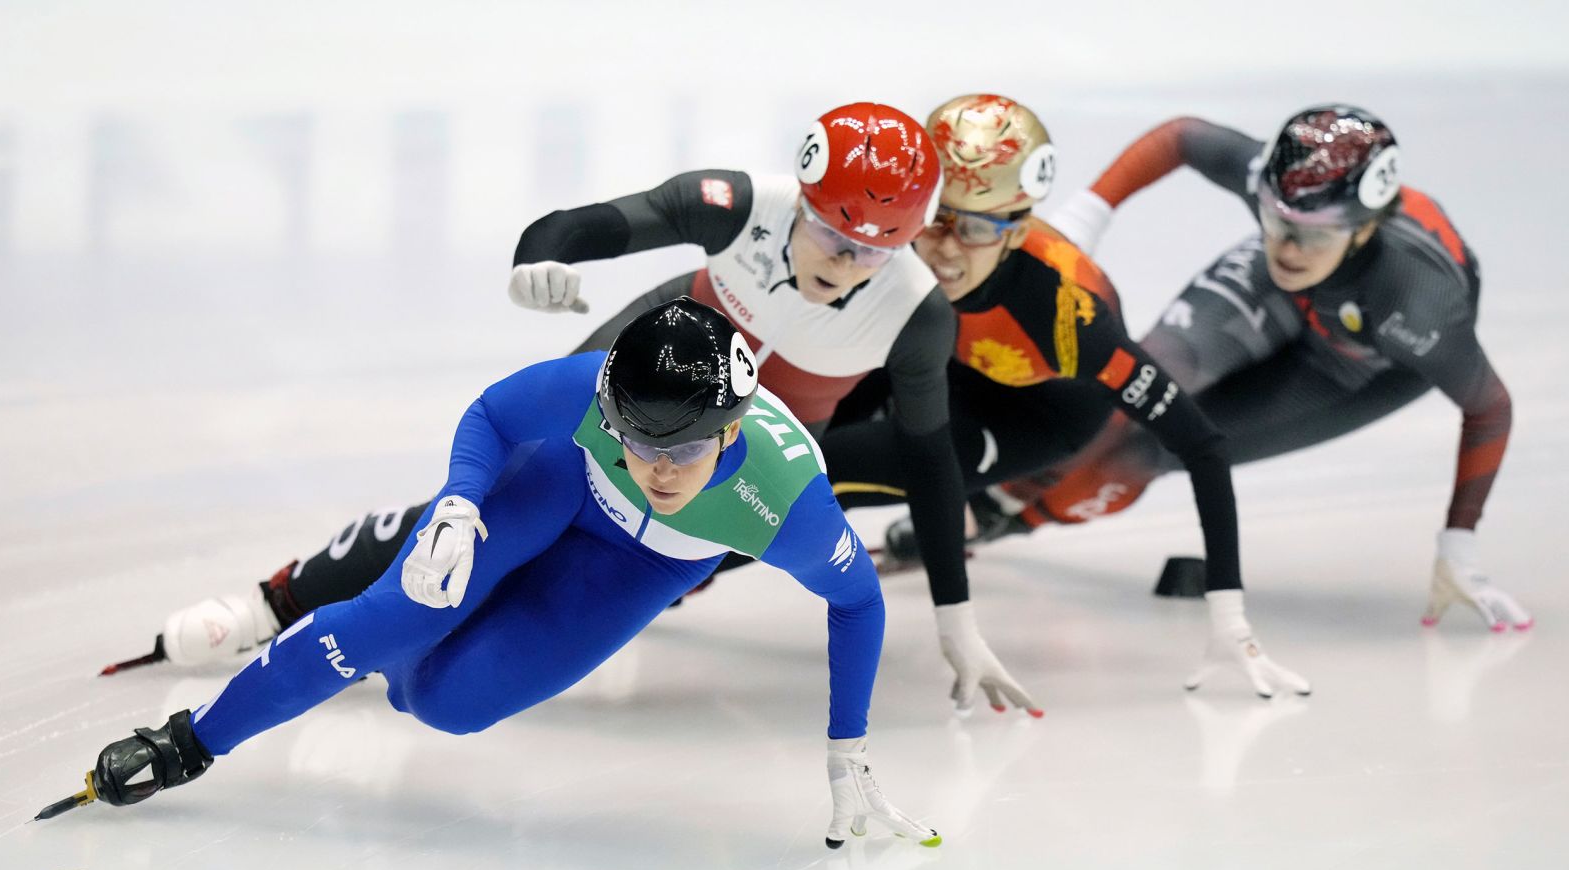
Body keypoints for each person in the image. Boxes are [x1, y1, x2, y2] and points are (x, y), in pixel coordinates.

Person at [118, 102, 1039, 716]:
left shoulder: (917, 315)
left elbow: (931, 460)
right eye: (829, 233)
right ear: (800, 196)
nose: (840, 263)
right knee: (485, 503)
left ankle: (436, 649)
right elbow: (591, 223)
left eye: (868, 254)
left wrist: (954, 613)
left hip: (729, 456)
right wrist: (537, 256)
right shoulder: (744, 204)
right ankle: (274, 602)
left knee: (607, 564)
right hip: (638, 365)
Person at [51, 298, 939, 850]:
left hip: (640, 565)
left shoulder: (784, 504)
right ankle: (190, 740)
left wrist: (846, 746)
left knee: (443, 701)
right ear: (611, 411)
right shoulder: (593, 394)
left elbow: (858, 604)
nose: (657, 469)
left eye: (685, 450)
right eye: (637, 440)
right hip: (559, 485)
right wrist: (458, 503)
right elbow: (491, 415)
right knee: (387, 620)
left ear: (734, 432)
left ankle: (415, 639)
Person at [824, 94, 1308, 698]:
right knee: (794, 427)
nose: (946, 247)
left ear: (1019, 226)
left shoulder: (1067, 316)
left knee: (831, 468)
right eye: (936, 218)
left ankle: (685, 569)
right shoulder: (905, 236)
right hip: (947, 354)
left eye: (975, 226)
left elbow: (1202, 444)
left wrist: (1229, 615)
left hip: (1037, 416)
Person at [981, 104, 1530, 633]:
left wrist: (1459, 542)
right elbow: (1180, 136)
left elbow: (1490, 409)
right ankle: (991, 492)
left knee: (1148, 451)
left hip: (1357, 364)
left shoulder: (1417, 304)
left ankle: (1010, 523)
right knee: (1137, 383)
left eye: (1311, 233)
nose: (1287, 247)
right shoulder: (1294, 191)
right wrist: (1088, 214)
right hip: (1283, 295)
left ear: (1365, 228)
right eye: (1274, 218)